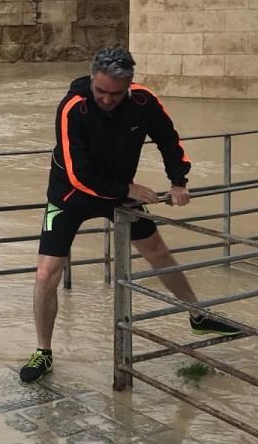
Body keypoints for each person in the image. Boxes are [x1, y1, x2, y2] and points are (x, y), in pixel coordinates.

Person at [19, 45, 238, 383]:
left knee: (158, 251)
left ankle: (198, 315)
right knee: (46, 273)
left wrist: (178, 181)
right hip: (70, 194)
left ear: (129, 87)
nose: (106, 99)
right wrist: (126, 189)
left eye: (115, 94)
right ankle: (43, 352)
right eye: (101, 91)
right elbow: (79, 173)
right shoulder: (73, 108)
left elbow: (168, 139)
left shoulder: (142, 102)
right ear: (92, 79)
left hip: (120, 192)